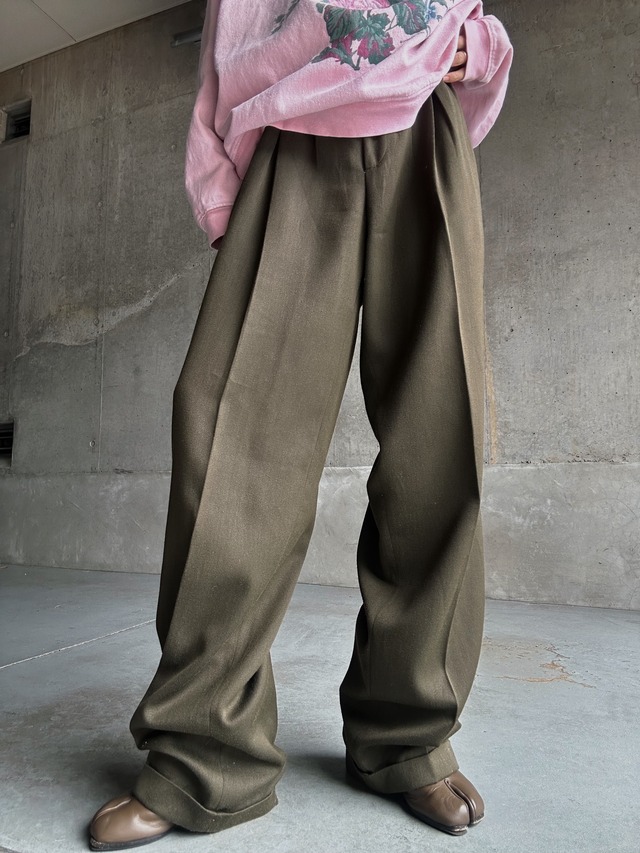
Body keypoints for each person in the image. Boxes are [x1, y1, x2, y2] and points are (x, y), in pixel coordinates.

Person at [88, 1, 513, 849]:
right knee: (229, 441)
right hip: (290, 137)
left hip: (422, 123)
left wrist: (485, 43)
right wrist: (222, 196)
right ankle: (203, 753)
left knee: (440, 441)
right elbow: (229, 35)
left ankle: (408, 738)